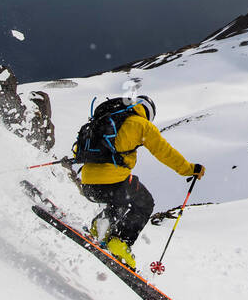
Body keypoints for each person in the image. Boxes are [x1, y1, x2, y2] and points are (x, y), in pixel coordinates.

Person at [76, 95, 204, 270]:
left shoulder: (105, 120)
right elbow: (164, 152)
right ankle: (120, 243)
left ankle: (99, 228)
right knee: (144, 203)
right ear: (148, 113)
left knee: (120, 201)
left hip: (88, 184)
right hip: (112, 183)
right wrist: (189, 169)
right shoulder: (140, 124)